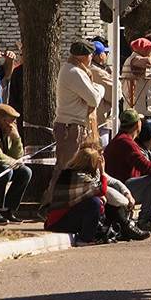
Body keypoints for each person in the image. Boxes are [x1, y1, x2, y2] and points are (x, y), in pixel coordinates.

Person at [45, 144, 150, 245]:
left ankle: (125, 227)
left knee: (101, 200)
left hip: (70, 216)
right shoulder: (75, 175)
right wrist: (102, 172)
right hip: (58, 222)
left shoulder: (87, 174)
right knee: (94, 202)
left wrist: (127, 194)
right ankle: (84, 239)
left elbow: (113, 183)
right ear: (90, 163)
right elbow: (102, 190)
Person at [44, 41, 106, 206]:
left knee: (72, 168)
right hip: (69, 127)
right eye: (90, 55)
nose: (91, 58)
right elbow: (93, 98)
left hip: (74, 126)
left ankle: (67, 202)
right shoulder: (74, 72)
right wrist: (100, 89)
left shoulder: (75, 70)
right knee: (65, 167)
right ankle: (50, 205)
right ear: (85, 56)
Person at [104, 109, 151, 233]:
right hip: (120, 188)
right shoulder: (125, 142)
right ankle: (145, 221)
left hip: (124, 186)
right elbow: (146, 167)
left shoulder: (125, 140)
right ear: (137, 125)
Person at [121, 37, 151, 130]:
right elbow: (148, 61)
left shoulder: (148, 64)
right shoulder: (134, 59)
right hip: (140, 114)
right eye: (150, 50)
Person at [89, 41, 115, 145]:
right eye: (105, 53)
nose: (107, 55)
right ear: (100, 55)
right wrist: (114, 79)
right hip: (100, 120)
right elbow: (114, 95)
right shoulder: (98, 73)